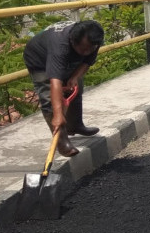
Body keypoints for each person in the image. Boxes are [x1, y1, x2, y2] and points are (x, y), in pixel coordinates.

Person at [23, 20, 105, 157]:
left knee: (74, 88)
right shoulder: (60, 45)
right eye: (83, 49)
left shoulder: (93, 39)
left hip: (65, 57)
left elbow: (87, 61)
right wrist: (58, 115)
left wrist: (75, 77)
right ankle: (61, 142)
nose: (87, 52)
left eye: (90, 48)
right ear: (73, 41)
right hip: (39, 60)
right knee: (50, 98)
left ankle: (75, 125)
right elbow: (55, 82)